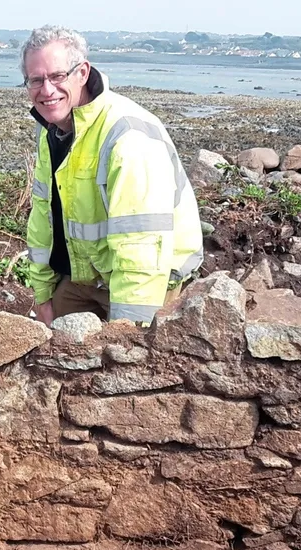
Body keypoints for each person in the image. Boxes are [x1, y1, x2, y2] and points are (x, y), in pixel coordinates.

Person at [22, 25, 204, 327]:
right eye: (36, 80)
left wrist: (127, 333)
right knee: (49, 352)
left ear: (82, 73)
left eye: (57, 76)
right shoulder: (50, 130)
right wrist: (42, 298)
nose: (47, 90)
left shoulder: (127, 137)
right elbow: (43, 218)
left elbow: (141, 246)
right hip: (86, 277)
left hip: (150, 279)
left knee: (128, 363)